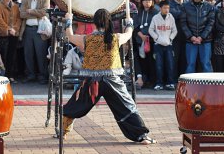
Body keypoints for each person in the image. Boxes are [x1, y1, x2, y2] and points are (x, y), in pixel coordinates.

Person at [62, 9, 156, 144]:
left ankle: (62, 131)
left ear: (94, 22)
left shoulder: (87, 39)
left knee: (75, 105)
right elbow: (129, 34)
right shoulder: (116, 38)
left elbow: (70, 36)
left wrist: (69, 20)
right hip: (112, 82)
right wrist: (129, 23)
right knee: (127, 106)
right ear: (108, 22)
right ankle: (141, 135)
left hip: (92, 82)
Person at [20, 0, 50, 84]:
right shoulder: (25, 0)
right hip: (28, 29)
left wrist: (31, 11)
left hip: (40, 30)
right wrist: (36, 12)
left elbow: (45, 12)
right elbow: (22, 14)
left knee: (41, 54)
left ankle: (43, 75)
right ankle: (30, 74)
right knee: (28, 53)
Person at [180, 0, 215, 73]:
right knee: (190, 64)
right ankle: (190, 87)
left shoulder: (209, 6)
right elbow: (183, 23)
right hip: (190, 40)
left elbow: (210, 23)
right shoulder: (185, 6)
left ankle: (209, 86)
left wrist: (201, 37)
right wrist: (191, 37)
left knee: (206, 64)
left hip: (205, 40)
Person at [0, 0, 21, 83]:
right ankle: (3, 75)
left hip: (14, 34)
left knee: (12, 55)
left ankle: (11, 75)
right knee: (3, 55)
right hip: (3, 34)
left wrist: (15, 29)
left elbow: (18, 19)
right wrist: (9, 29)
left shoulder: (15, 6)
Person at [148, 0, 177, 90]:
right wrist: (156, 38)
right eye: (165, 8)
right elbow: (150, 30)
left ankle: (170, 83)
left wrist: (170, 38)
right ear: (160, 8)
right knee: (158, 65)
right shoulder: (155, 18)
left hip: (168, 45)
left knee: (170, 64)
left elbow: (175, 30)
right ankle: (159, 83)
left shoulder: (171, 17)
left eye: (168, 8)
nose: (167, 9)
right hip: (158, 45)